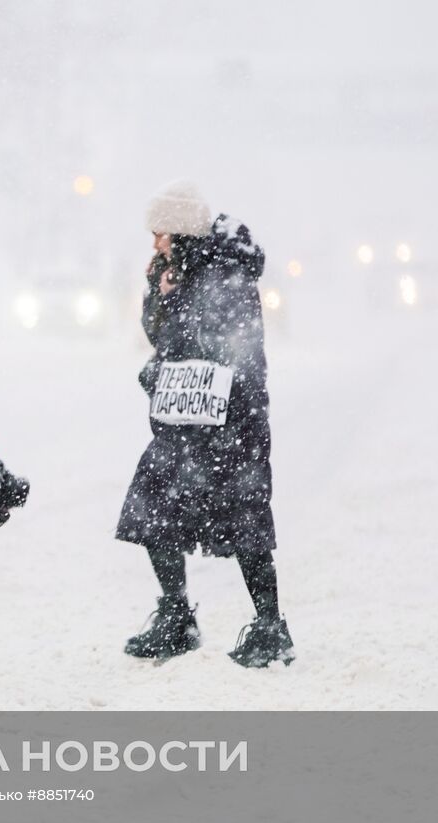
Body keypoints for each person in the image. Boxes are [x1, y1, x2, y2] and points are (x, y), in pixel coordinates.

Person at [117, 180, 294, 668]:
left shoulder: (228, 273)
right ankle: (176, 617)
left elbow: (222, 342)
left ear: (180, 230)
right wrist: (160, 293)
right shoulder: (178, 270)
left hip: (231, 422)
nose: (154, 243)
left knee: (245, 523)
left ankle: (270, 627)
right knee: (153, 511)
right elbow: (161, 334)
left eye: (160, 233)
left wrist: (176, 303)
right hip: (181, 422)